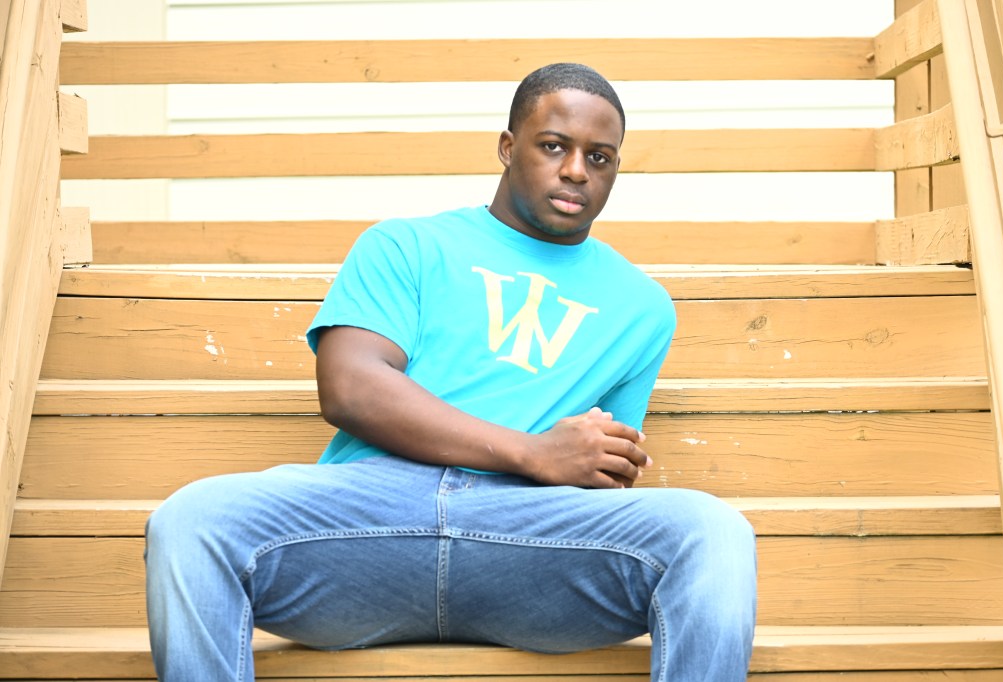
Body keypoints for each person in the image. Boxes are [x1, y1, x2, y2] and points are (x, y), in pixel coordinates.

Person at [144, 62, 757, 682]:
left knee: (712, 532)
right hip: (370, 522)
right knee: (193, 521)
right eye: (553, 146)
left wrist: (579, 463)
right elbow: (350, 388)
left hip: (531, 540)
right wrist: (532, 451)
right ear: (507, 147)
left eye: (600, 158)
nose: (577, 170)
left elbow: (599, 468)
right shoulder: (406, 246)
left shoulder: (642, 307)